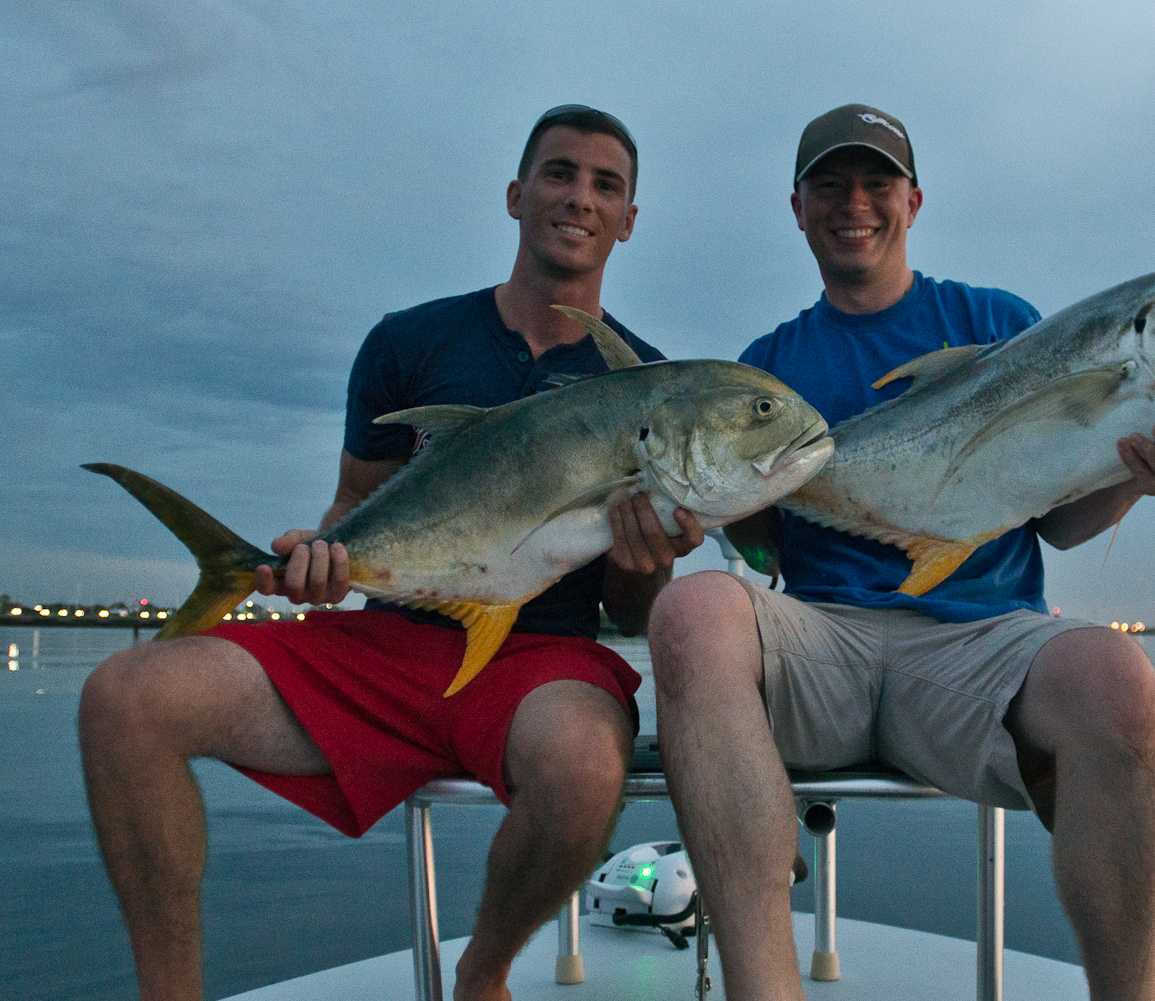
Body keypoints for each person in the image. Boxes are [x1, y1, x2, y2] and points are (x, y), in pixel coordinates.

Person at [78, 105, 704, 1001]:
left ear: (631, 219)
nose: (580, 197)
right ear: (516, 192)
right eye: (560, 172)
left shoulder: (647, 382)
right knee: (122, 698)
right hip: (389, 643)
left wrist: (650, 558)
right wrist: (315, 559)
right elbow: (354, 507)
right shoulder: (409, 343)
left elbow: (636, 614)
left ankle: (481, 975)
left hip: (543, 661)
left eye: (607, 185)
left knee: (586, 771)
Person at [648, 104, 1155, 1001]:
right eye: (830, 185)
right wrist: (705, 515)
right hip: (823, 640)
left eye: (877, 183)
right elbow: (763, 551)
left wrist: (1140, 477)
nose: (856, 204)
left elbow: (1061, 522)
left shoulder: (1003, 326)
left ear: (914, 201)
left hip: (978, 647)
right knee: (690, 610)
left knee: (1122, 682)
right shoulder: (761, 371)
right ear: (796, 208)